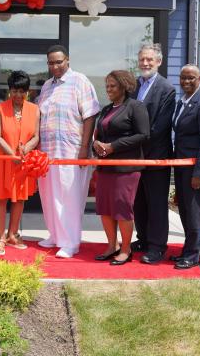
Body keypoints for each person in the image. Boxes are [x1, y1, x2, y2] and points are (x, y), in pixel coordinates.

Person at [37, 44, 100, 258]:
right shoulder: (46, 86)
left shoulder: (79, 81)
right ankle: (55, 236)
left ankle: (71, 242)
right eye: (51, 63)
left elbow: (90, 115)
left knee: (70, 198)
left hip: (72, 151)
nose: (55, 66)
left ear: (67, 60)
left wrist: (84, 149)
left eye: (58, 61)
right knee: (49, 195)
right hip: (48, 152)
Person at [92, 70, 149, 265]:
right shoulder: (106, 109)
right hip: (105, 167)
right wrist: (96, 144)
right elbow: (99, 133)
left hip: (126, 168)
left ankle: (126, 249)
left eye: (113, 86)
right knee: (105, 208)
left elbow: (143, 135)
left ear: (124, 86)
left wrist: (112, 147)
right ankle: (112, 245)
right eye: (107, 86)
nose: (108, 89)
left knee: (122, 209)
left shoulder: (135, 107)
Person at [130, 43, 176, 264]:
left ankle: (157, 247)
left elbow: (160, 126)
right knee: (138, 201)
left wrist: (133, 142)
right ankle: (144, 239)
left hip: (156, 155)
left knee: (156, 203)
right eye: (142, 60)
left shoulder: (166, 89)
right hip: (134, 155)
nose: (145, 63)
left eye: (150, 59)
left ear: (159, 61)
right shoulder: (134, 85)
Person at [0, 70, 40, 256]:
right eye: (14, 91)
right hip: (4, 159)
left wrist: (26, 148)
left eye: (22, 91)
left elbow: (36, 136)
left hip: (23, 160)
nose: (18, 95)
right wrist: (12, 154)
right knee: (1, 197)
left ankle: (12, 234)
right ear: (9, 90)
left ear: (27, 91)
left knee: (20, 198)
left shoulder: (34, 109)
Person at [172, 64, 200, 269]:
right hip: (182, 165)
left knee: (194, 211)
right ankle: (187, 250)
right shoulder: (182, 103)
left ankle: (193, 255)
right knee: (184, 210)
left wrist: (199, 173)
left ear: (199, 79)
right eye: (183, 78)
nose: (186, 81)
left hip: (196, 167)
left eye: (191, 78)